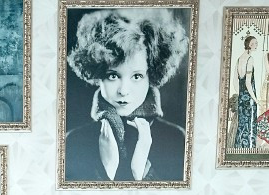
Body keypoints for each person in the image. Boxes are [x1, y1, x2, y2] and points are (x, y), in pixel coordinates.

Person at [64, 7, 190, 182]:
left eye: (137, 76)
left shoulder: (178, 140)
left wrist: (142, 171)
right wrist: (106, 170)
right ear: (98, 73)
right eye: (113, 75)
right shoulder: (73, 142)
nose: (123, 90)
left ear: (152, 75)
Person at [232, 35, 258, 149]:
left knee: (242, 123)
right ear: (250, 45)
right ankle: (250, 148)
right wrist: (255, 99)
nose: (256, 45)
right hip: (250, 96)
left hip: (242, 97)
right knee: (251, 123)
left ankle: (239, 147)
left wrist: (240, 95)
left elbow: (234, 80)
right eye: (255, 43)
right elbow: (248, 83)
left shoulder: (239, 59)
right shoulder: (250, 59)